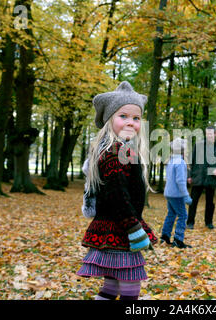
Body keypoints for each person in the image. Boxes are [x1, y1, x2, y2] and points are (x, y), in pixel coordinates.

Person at [77, 81, 157, 300]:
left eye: (136, 118)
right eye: (124, 116)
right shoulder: (114, 152)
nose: (131, 122)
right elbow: (116, 194)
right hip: (120, 229)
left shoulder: (123, 150)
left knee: (112, 284)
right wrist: (133, 226)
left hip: (115, 227)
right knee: (130, 283)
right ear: (109, 120)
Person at [187, 126, 216, 230]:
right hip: (197, 177)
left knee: (210, 203)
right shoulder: (198, 145)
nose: (209, 135)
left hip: (211, 179)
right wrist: (189, 175)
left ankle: (209, 223)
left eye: (211, 134)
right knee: (193, 202)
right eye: (207, 133)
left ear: (215, 134)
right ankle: (190, 222)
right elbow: (190, 161)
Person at [160, 138, 193, 249]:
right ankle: (178, 239)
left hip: (168, 193)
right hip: (176, 194)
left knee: (171, 214)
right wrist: (186, 195)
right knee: (183, 215)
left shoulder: (171, 161)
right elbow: (180, 181)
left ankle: (165, 236)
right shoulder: (180, 163)